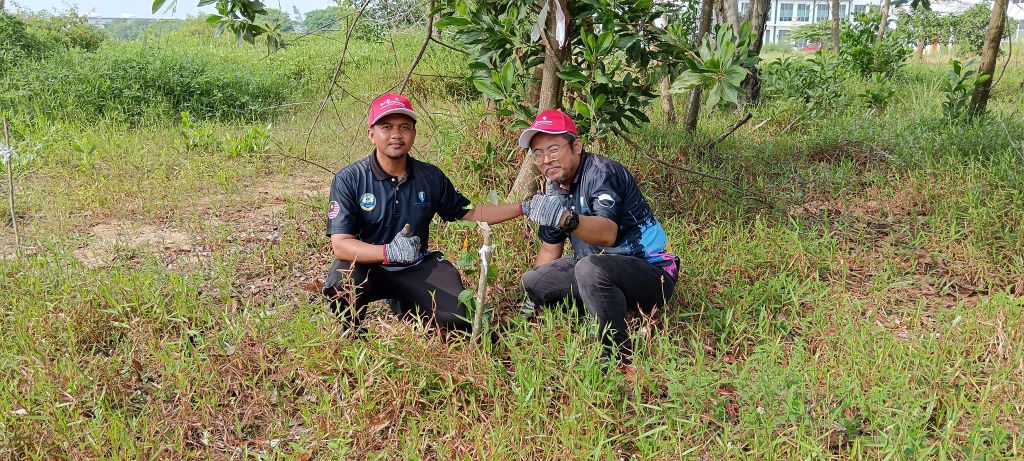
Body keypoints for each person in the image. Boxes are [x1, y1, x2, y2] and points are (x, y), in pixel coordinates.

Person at [322, 93, 526, 332]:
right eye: (386, 127)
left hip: (415, 265)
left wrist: (523, 208)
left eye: (404, 127)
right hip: (369, 265)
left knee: (459, 319)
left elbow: (471, 213)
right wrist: (387, 252)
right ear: (371, 134)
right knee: (341, 285)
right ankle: (352, 331)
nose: (396, 135)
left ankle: (409, 305)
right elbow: (341, 245)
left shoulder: (430, 177)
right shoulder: (350, 179)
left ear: (414, 134)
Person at [517, 110, 679, 369]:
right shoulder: (554, 188)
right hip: (597, 267)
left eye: (554, 149)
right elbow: (549, 249)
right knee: (533, 281)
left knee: (589, 269)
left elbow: (607, 233)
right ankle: (605, 304)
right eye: (538, 154)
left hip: (651, 272)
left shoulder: (603, 173)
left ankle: (617, 355)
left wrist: (566, 218)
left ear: (577, 146)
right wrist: (533, 297)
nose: (546, 159)